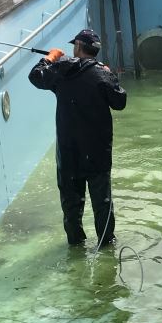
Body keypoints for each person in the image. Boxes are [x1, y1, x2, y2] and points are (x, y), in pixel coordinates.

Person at [28, 27, 127, 247]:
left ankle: (75, 244)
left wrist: (50, 58)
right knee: (102, 204)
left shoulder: (62, 70)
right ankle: (106, 243)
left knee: (71, 206)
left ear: (79, 47)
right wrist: (110, 76)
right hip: (98, 153)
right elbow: (120, 102)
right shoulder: (102, 73)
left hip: (69, 153)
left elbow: (35, 76)